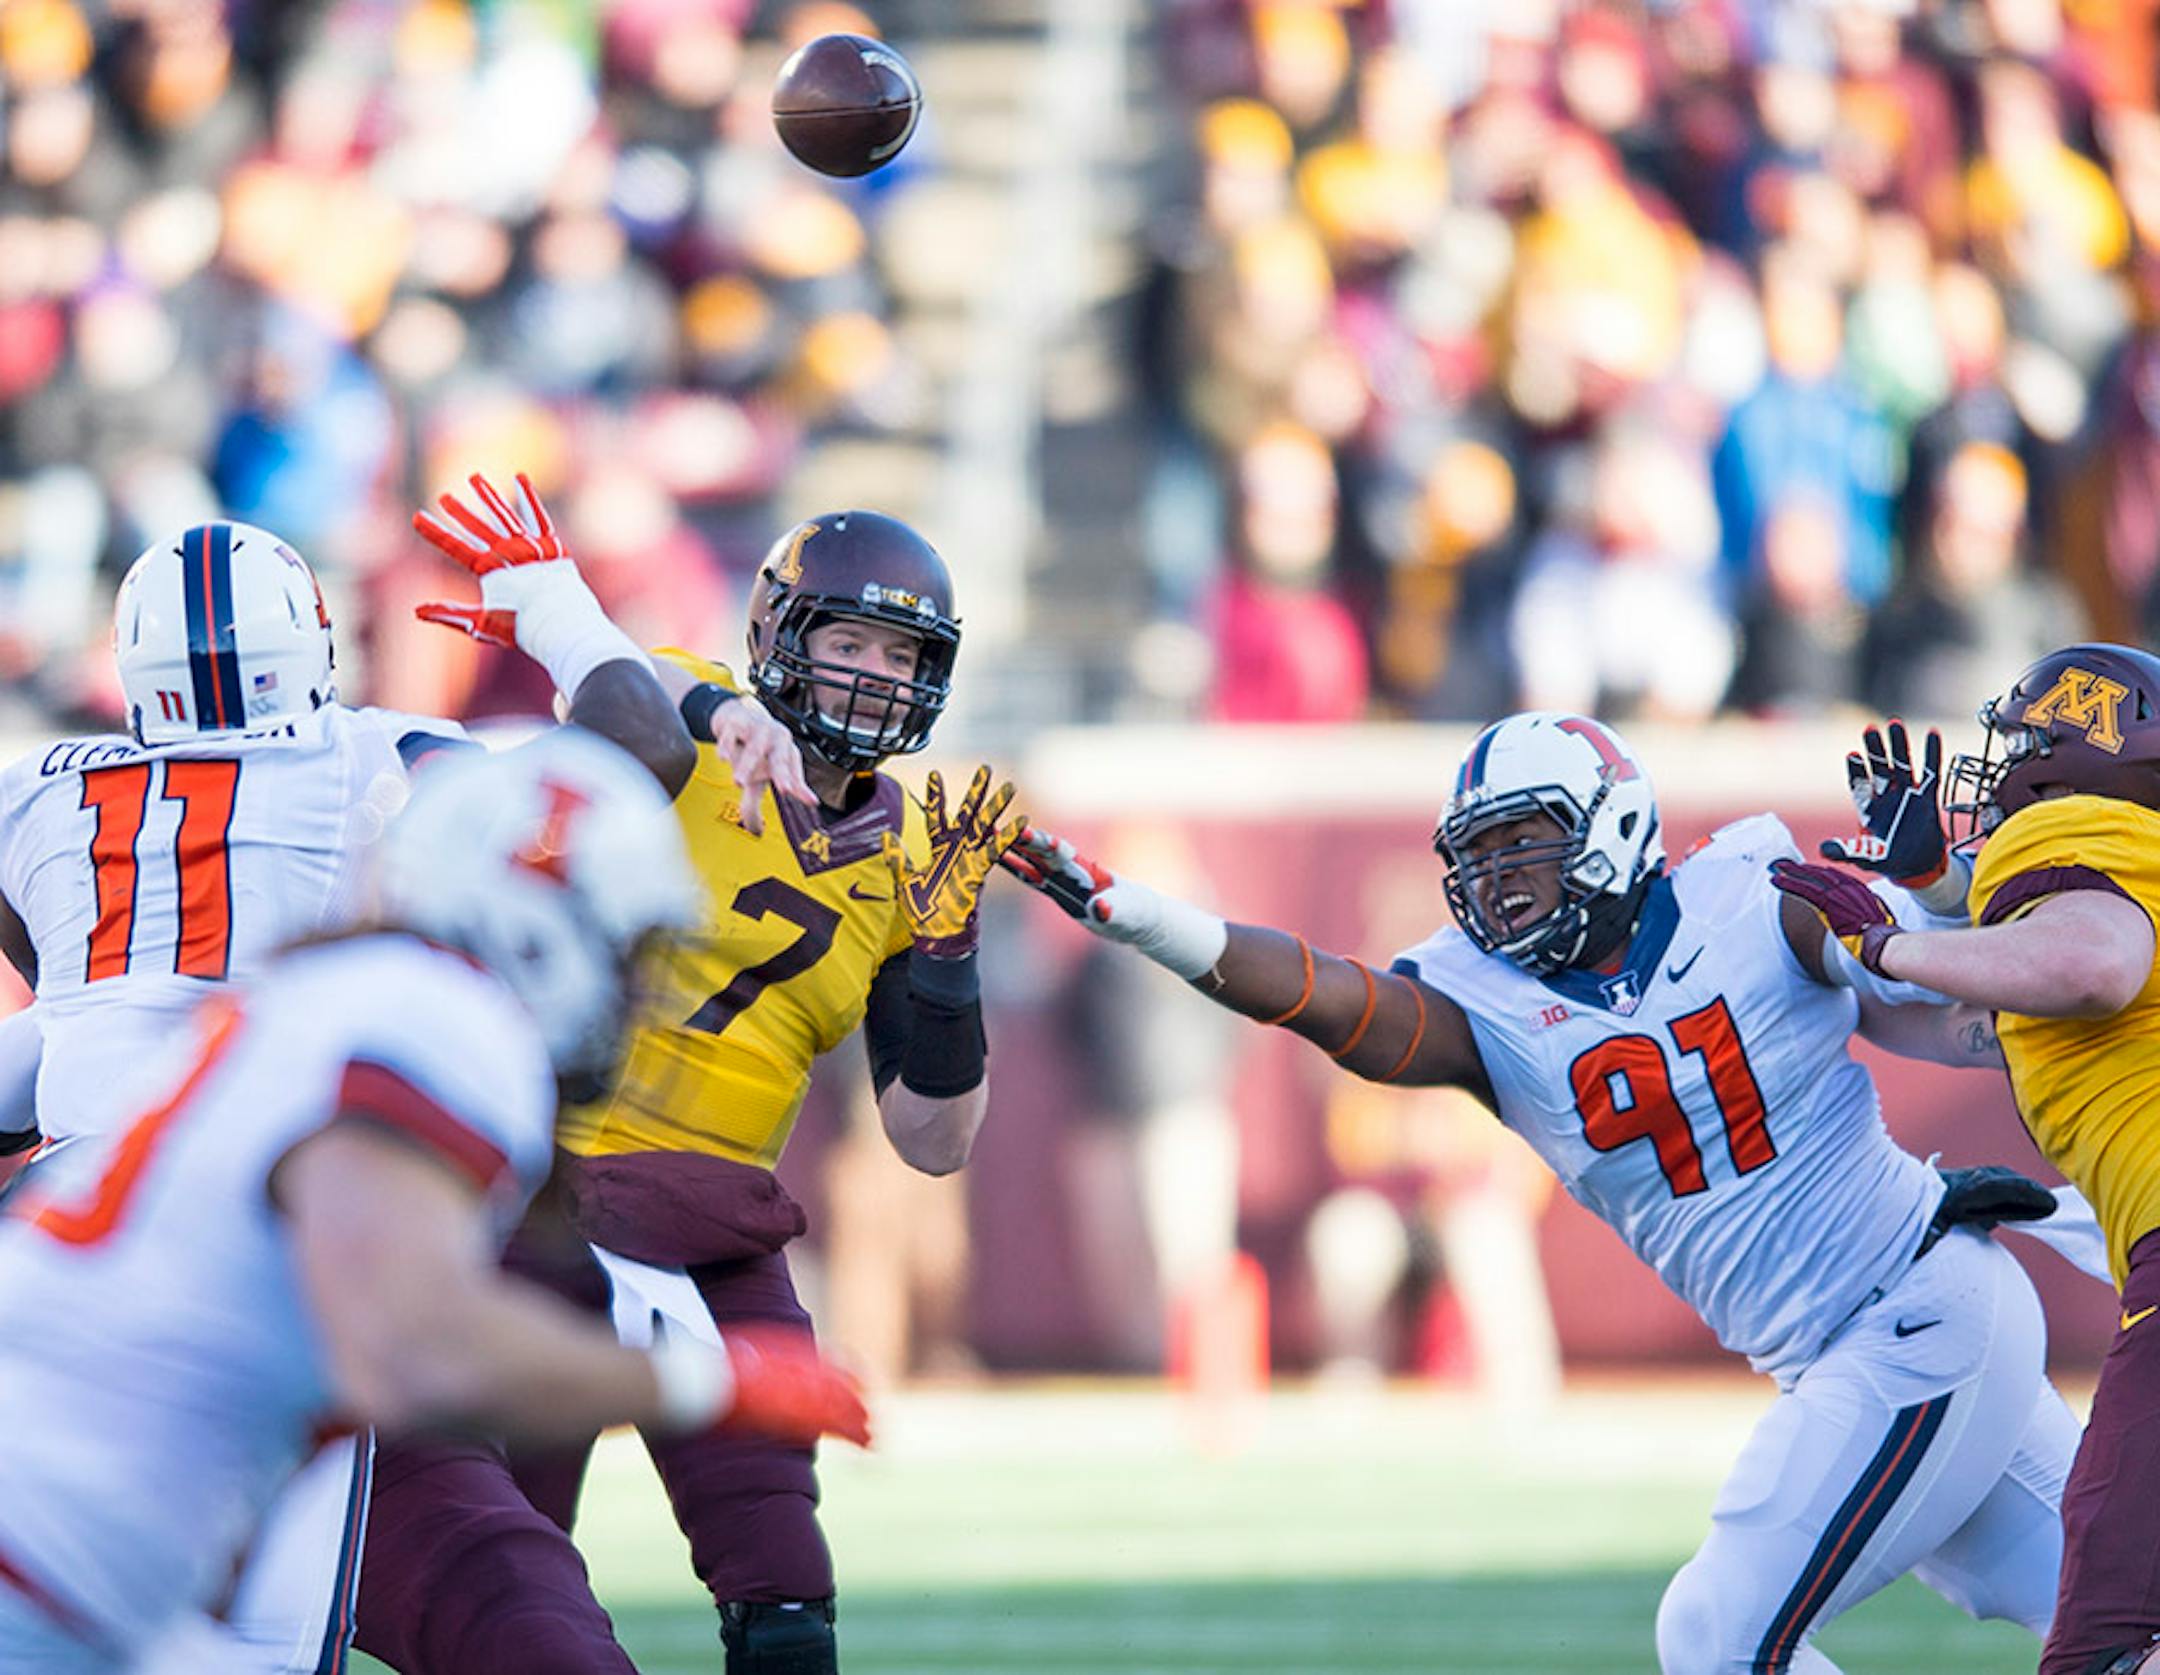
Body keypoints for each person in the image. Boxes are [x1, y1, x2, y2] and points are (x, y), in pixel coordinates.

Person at [1004, 709, 2081, 1675]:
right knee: (2117, 1619)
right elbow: (1331, 1000)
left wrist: (1935, 892)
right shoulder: (1491, 1004)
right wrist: (1149, 920)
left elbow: (1953, 991)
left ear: (1612, 825)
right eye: (1479, 855)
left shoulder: (1750, 889)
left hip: (1913, 1306)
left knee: (1717, 1635)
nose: (1501, 877)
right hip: (1860, 1345)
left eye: (1526, 841)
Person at [0, 473, 813, 1674]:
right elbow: (631, 744)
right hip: (274, 1276)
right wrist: (554, 606)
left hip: (82, 1217)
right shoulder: (393, 833)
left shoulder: (35, 790)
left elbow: (59, 1002)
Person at [357, 510, 1023, 1675]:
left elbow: (932, 1139)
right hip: (552, 1206)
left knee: (785, 1592)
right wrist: (727, 715)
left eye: (903, 656)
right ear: (778, 633)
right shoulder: (698, 713)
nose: (877, 677)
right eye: (853, 644)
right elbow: (640, 689)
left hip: (720, 1235)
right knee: (510, 1574)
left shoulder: (916, 851)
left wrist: (951, 958)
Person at [1773, 643, 2160, 1675]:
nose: (1995, 781)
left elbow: (2088, 961)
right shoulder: (2119, 854)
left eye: (2026, 746)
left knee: (2110, 1636)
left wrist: (1884, 942)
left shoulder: (2078, 832)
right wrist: (1938, 888)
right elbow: (2012, 996)